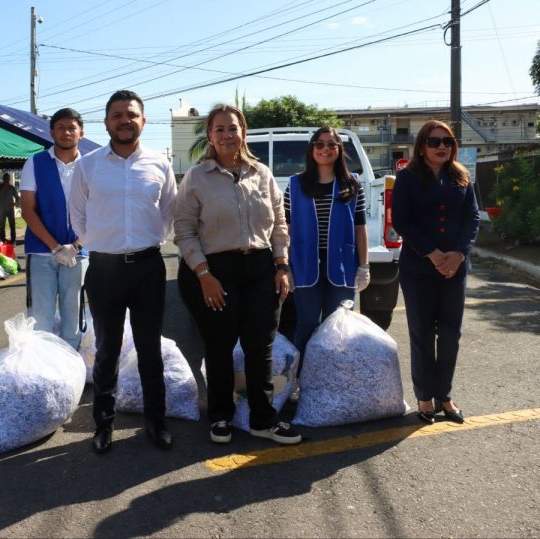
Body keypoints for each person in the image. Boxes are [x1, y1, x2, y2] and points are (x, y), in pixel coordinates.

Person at [173, 104, 300, 446]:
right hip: (216, 271)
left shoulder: (262, 172)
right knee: (219, 346)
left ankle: (263, 419)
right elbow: (183, 230)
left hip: (260, 268)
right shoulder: (196, 178)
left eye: (233, 128)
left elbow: (279, 222)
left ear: (243, 131)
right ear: (210, 136)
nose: (227, 135)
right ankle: (220, 417)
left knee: (261, 346)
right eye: (219, 129)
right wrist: (203, 274)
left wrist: (281, 265)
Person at [69, 90, 177, 454]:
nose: (124, 120)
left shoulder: (160, 163)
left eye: (131, 114)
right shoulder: (88, 165)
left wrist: (146, 242)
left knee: (150, 349)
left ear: (143, 121)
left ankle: (156, 421)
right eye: (117, 115)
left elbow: (168, 212)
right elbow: (78, 216)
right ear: (106, 123)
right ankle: (103, 424)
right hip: (104, 270)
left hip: (148, 268)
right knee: (107, 350)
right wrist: (101, 243)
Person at [392, 120, 479, 424]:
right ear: (422, 147)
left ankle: (445, 395)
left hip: (455, 269)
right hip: (418, 269)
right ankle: (424, 397)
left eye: (447, 141)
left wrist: (457, 254)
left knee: (451, 335)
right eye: (434, 141)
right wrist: (432, 253)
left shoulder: (462, 178)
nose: (442, 146)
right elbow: (402, 221)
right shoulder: (407, 178)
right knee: (422, 334)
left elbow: (472, 220)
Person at [285, 126, 370, 400]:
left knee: (339, 328)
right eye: (319, 144)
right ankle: (300, 384)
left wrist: (365, 265)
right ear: (312, 149)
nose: (325, 148)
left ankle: (336, 381)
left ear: (339, 150)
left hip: (342, 265)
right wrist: (283, 265)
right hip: (305, 264)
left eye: (331, 144)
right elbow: (284, 227)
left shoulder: (352, 183)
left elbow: (360, 227)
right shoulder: (295, 184)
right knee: (307, 325)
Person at [20, 107, 86, 349]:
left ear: (81, 133)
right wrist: (56, 246)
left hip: (77, 253)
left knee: (73, 314)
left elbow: (97, 211)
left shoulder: (90, 165)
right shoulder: (35, 162)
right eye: (60, 127)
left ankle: (71, 367)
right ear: (51, 132)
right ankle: (42, 369)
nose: (66, 132)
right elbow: (28, 209)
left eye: (72, 128)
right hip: (41, 251)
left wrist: (76, 245)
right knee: (40, 317)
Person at [0, 172, 20, 243]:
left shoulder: (12, 187)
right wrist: (4, 188)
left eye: (8, 179)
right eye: (5, 178)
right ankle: (2, 240)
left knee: (12, 225)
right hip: (2, 209)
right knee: (2, 226)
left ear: (9, 179)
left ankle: (13, 240)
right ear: (3, 179)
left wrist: (14, 204)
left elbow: (18, 198)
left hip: (10, 209)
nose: (7, 180)